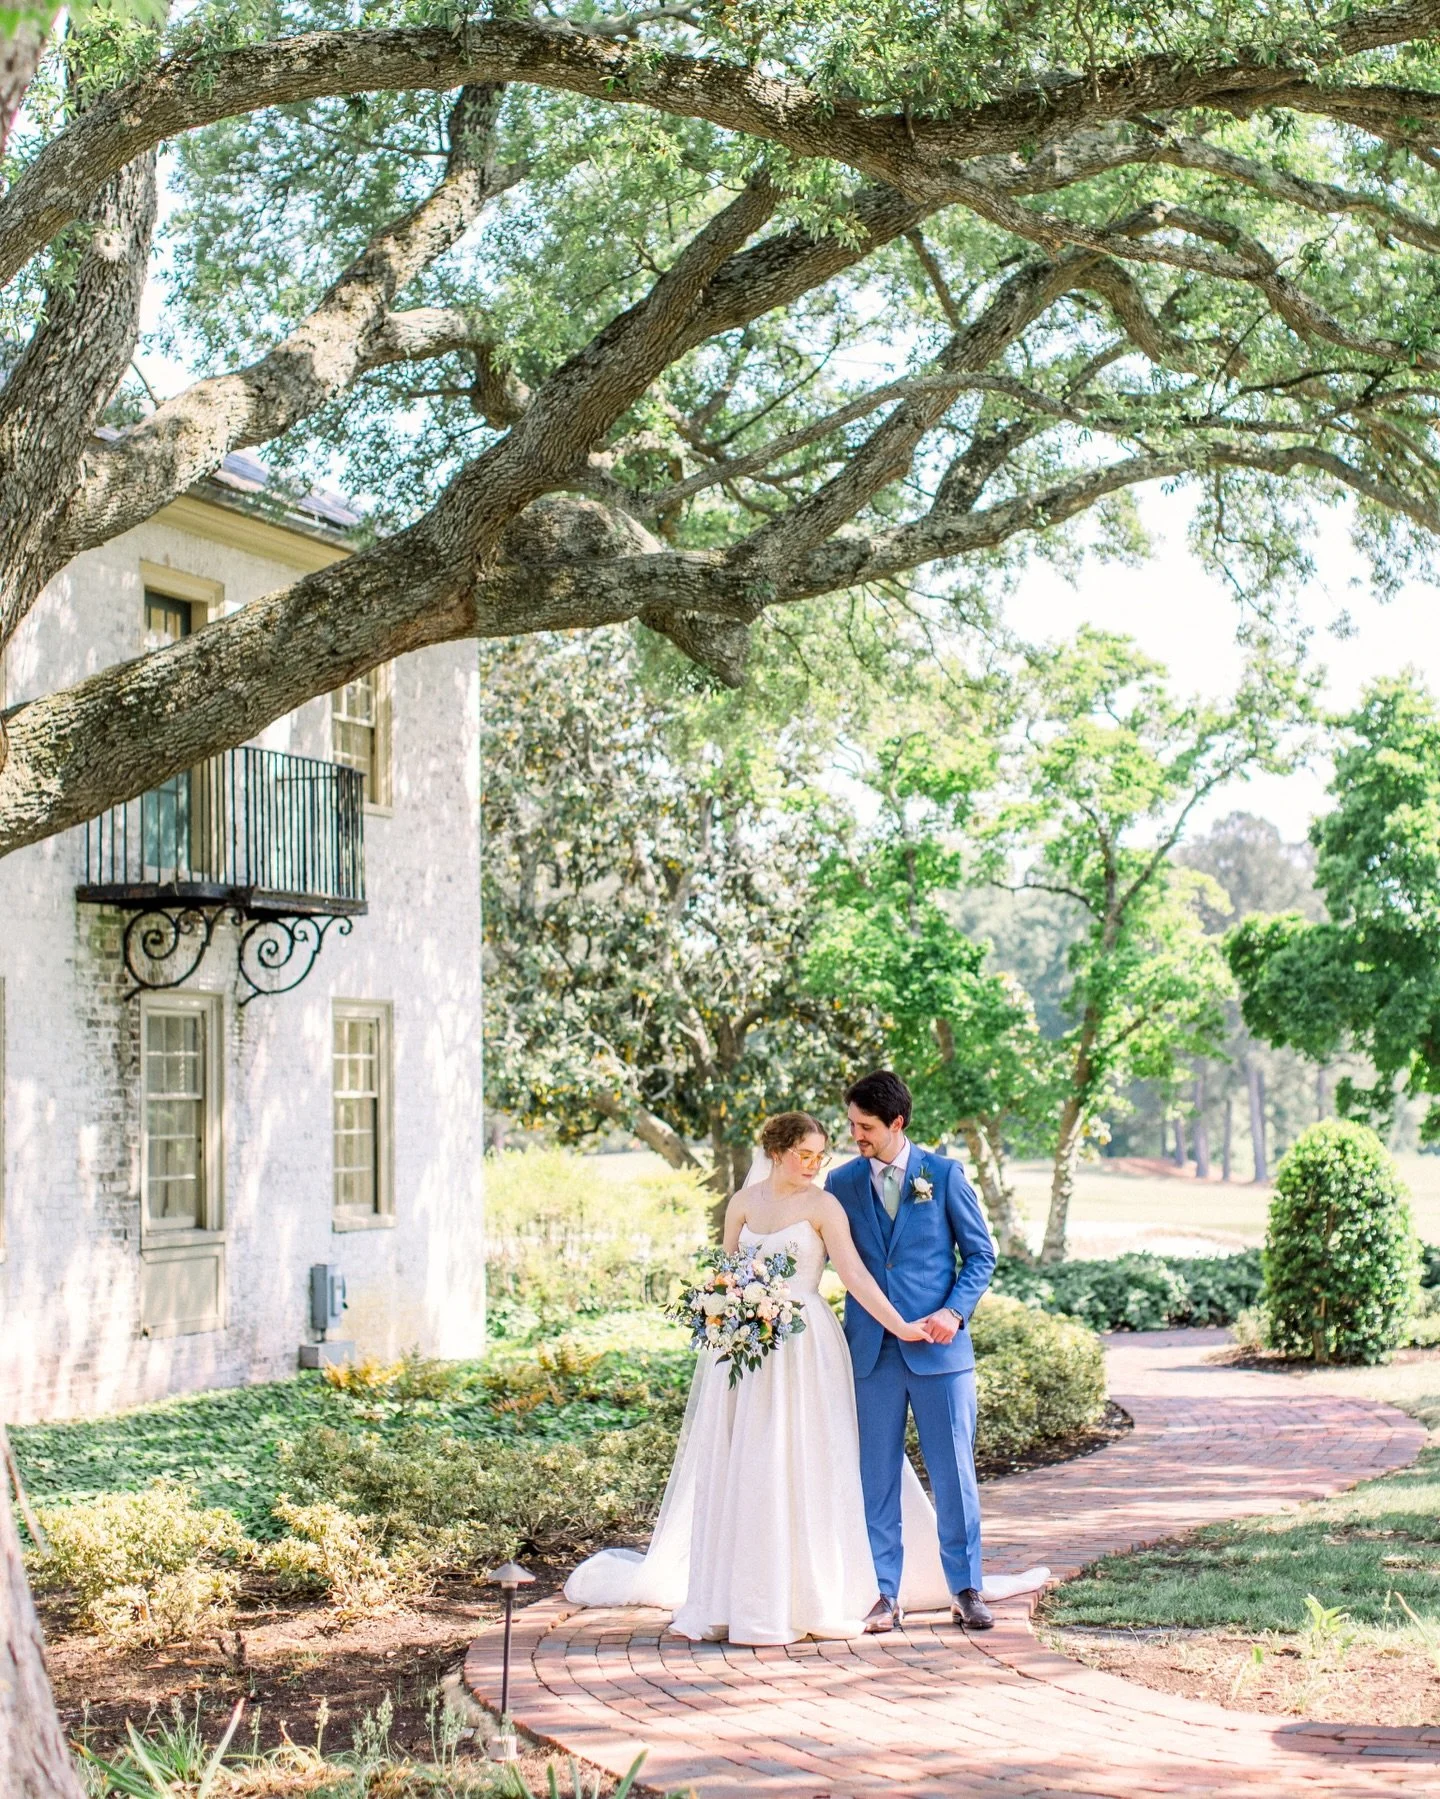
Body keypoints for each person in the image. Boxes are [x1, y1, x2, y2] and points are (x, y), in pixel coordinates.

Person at [564, 1110, 933, 1644]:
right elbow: (729, 1277)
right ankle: (736, 1595)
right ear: (777, 1151)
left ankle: (810, 1592)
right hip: (745, 1353)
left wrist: (901, 1325)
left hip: (806, 1349)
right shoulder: (742, 1204)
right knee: (748, 1461)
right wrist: (727, 1311)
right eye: (805, 1154)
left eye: (820, 1156)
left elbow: (853, 1274)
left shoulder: (824, 1205)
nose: (814, 1165)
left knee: (803, 1457)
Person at [825, 1070, 996, 1632]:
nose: (856, 1135)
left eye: (865, 1126)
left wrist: (953, 1312)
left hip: (940, 1353)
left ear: (897, 1123)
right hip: (872, 1353)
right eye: (852, 1124)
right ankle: (883, 1593)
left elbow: (980, 1256)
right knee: (875, 1477)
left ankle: (966, 1589)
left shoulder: (943, 1175)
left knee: (954, 1475)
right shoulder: (841, 1183)